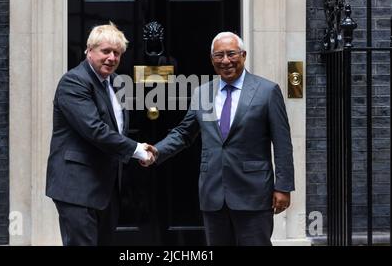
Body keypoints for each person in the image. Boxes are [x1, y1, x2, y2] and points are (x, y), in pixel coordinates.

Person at [146, 32, 295, 246]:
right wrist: (157, 151)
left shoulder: (267, 91)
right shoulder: (202, 93)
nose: (225, 61)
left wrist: (283, 187)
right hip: (213, 194)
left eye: (231, 54)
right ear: (212, 59)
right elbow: (184, 133)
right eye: (219, 55)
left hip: (253, 194)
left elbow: (282, 143)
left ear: (243, 55)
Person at [45, 22, 155, 246]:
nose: (112, 58)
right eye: (106, 51)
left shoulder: (115, 83)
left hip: (106, 187)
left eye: (117, 53)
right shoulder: (74, 82)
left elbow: (116, 129)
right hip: (77, 187)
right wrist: (135, 150)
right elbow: (95, 129)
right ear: (89, 50)